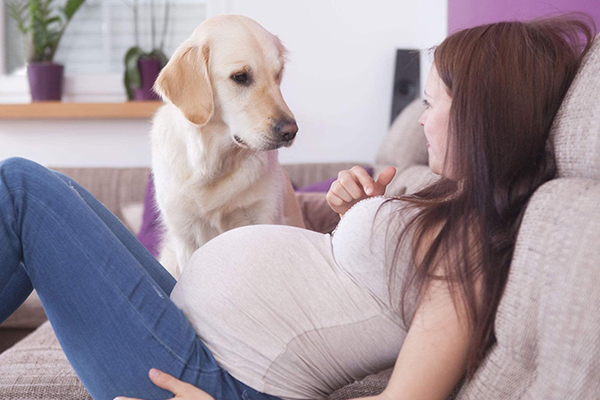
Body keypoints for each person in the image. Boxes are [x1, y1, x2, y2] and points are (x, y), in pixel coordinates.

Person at [0, 12, 595, 400]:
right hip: (197, 333)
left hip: (214, 380)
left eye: (432, 102)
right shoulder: (446, 203)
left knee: (20, 190)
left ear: (480, 117)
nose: (419, 119)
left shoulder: (470, 244)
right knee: (52, 188)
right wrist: (358, 213)